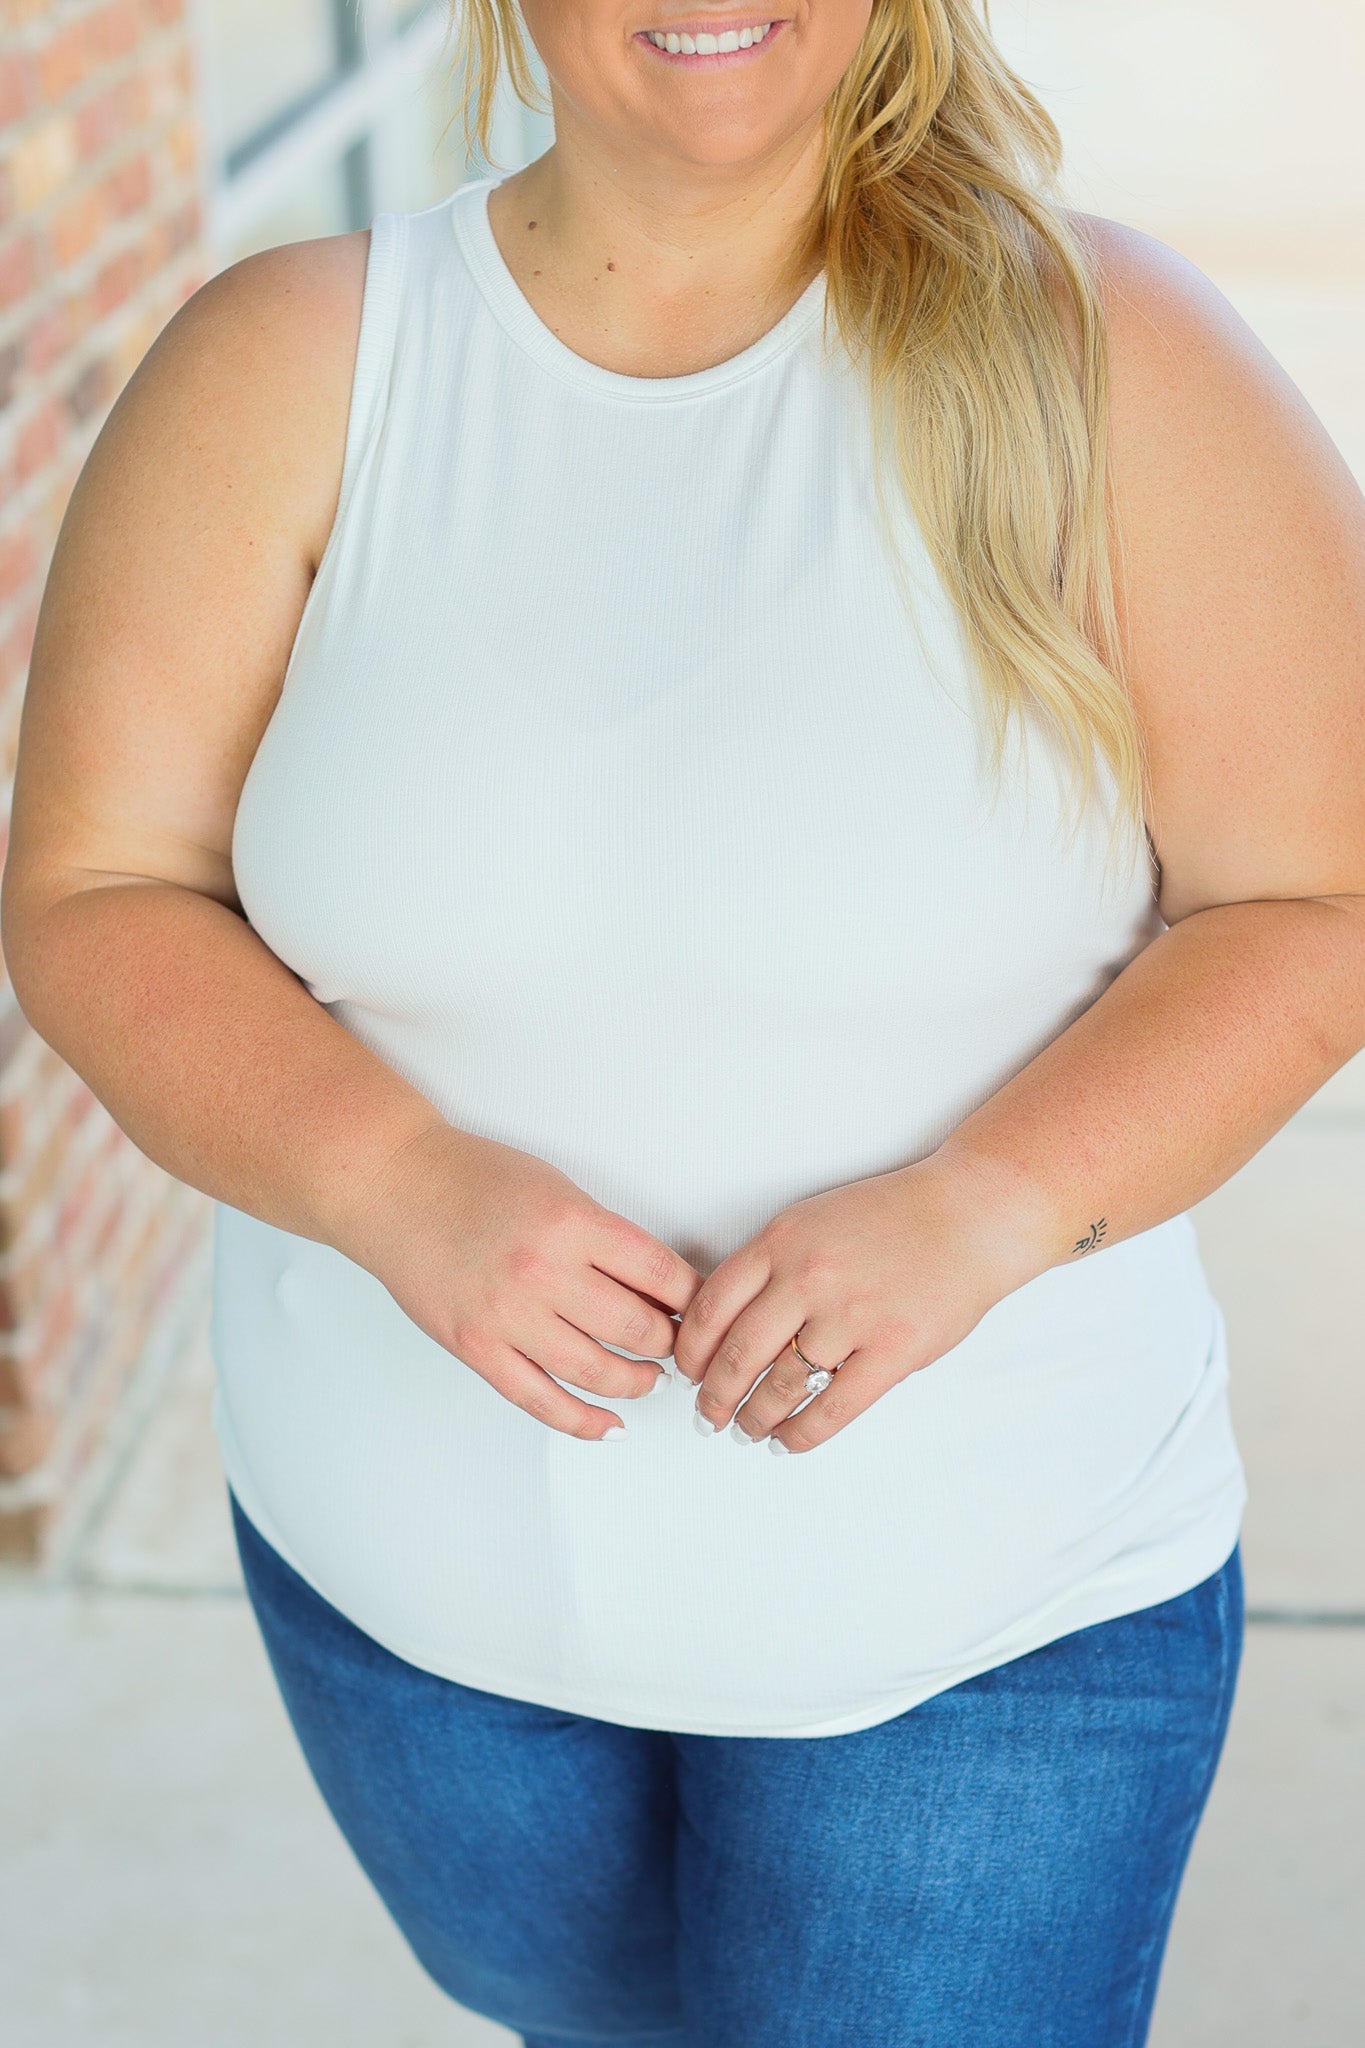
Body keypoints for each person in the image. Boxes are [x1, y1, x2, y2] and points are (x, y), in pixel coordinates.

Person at [4, 2, 1363, 2042]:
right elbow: (96, 892)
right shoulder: (290, 363)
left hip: (983, 1639)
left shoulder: (1109, 358)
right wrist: (392, 1179)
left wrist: (987, 1204)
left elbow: (1317, 896)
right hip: (417, 1634)